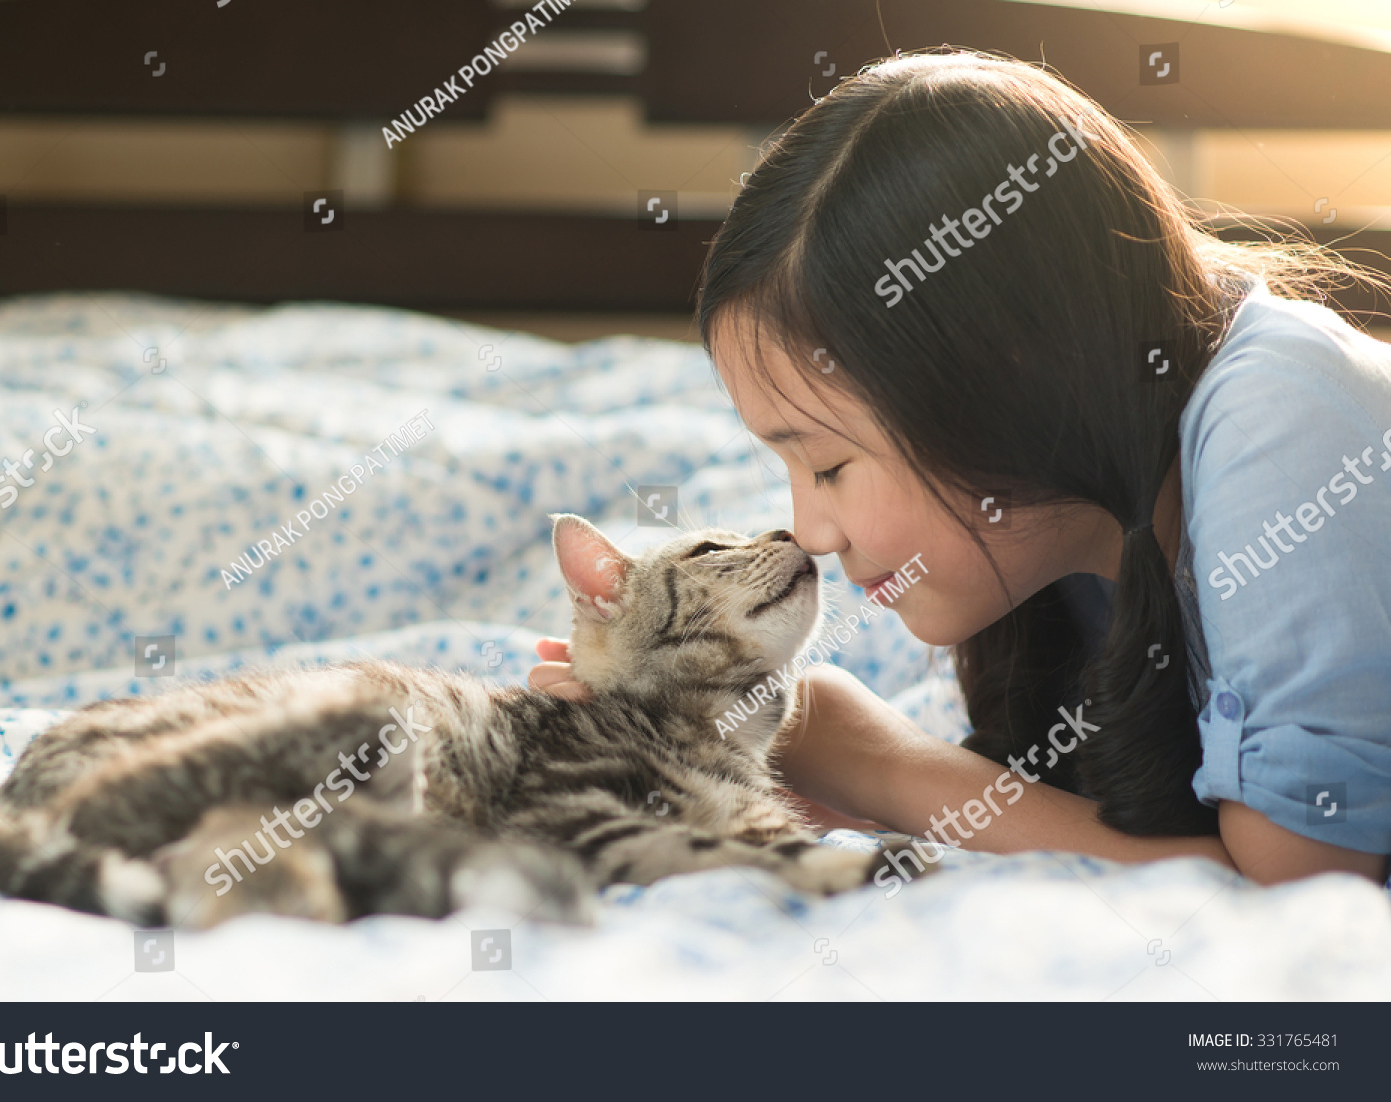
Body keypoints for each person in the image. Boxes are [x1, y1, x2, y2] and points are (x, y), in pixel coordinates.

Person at [530, 50, 1391, 886]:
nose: (812, 534)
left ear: (1006, 380)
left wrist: (872, 755)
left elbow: (1297, 893)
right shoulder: (1079, 522)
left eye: (829, 464)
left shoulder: (1285, 426)